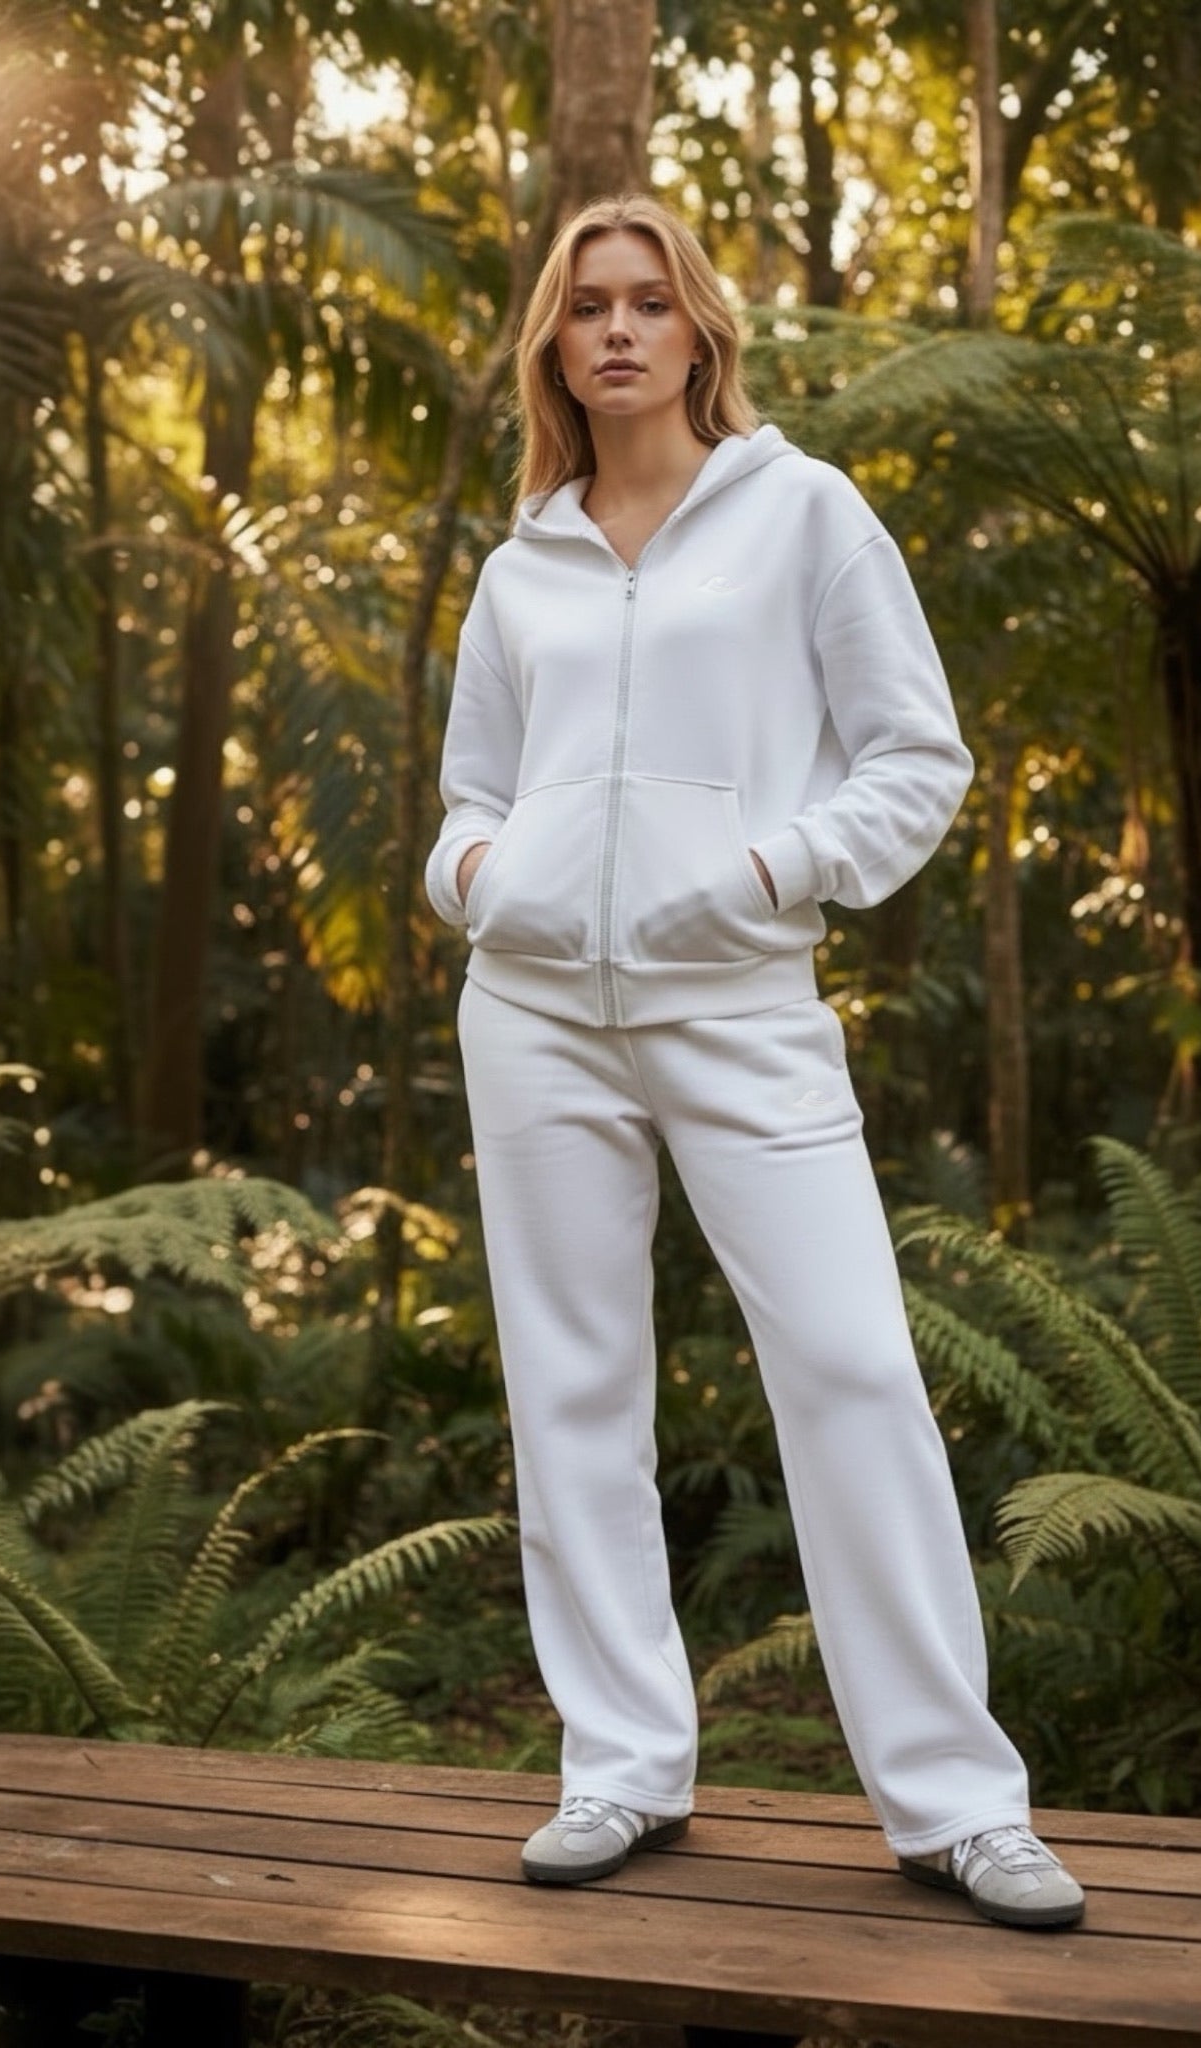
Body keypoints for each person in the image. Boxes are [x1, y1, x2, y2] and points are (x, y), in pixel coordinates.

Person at [422, 191, 1084, 1932]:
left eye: (648, 301)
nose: (617, 330)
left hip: (739, 1002)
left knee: (854, 1369)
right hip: (533, 1010)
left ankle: (956, 1805)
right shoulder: (521, 563)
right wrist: (478, 878)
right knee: (571, 1388)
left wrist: (764, 874)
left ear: (699, 328)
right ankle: (621, 1767)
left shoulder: (803, 513)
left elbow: (913, 759)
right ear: (555, 343)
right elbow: (471, 791)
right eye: (588, 306)